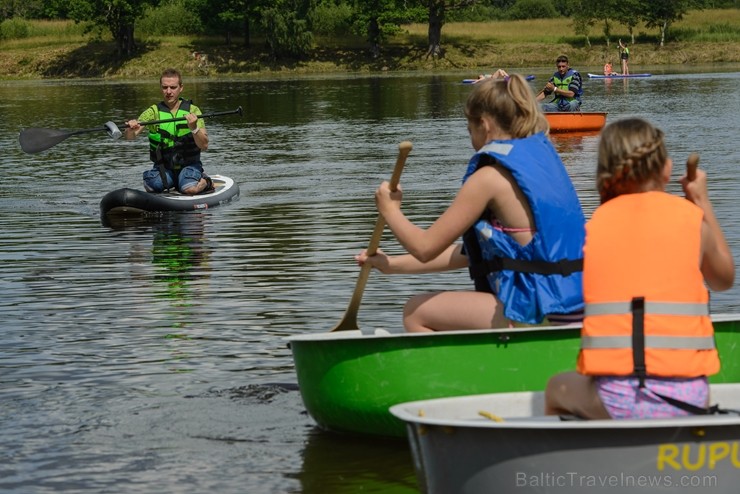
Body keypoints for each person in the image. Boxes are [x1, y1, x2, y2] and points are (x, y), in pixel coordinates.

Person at [355, 70, 586, 333]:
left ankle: (452, 376)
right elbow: (471, 254)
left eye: (469, 129)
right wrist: (391, 265)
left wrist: (390, 210)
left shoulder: (488, 178)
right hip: (575, 305)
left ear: (484, 125)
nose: (470, 139)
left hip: (538, 308)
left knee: (416, 311)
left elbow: (424, 247)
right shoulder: (543, 161)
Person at [544, 118, 735, 420]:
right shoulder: (691, 220)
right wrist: (701, 200)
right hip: (691, 397)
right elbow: (724, 279)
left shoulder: (593, 229)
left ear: (605, 174)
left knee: (556, 388)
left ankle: (588, 462)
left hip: (615, 399)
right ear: (667, 169)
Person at [125, 68, 213, 195]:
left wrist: (194, 127)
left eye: (173, 87)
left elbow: (204, 145)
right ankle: (174, 182)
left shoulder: (193, 110)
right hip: (164, 167)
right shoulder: (153, 112)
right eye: (165, 87)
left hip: (189, 165)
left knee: (189, 189)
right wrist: (130, 128)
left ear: (181, 88)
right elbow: (130, 137)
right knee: (152, 185)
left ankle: (205, 181)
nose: (168, 92)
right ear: (161, 88)